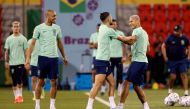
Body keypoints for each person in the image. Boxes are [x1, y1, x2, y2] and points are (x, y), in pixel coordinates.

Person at [25, 10, 68, 109]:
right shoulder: (39, 28)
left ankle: (52, 105)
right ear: (47, 16)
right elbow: (32, 44)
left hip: (54, 58)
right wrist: (27, 58)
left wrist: (64, 56)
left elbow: (59, 43)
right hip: (42, 58)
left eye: (55, 16)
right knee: (41, 82)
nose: (55, 18)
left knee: (54, 82)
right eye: (53, 16)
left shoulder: (57, 28)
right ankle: (37, 105)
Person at [117, 15, 150, 109]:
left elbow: (131, 41)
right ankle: (146, 106)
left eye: (131, 21)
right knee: (136, 86)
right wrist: (134, 53)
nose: (129, 23)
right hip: (143, 62)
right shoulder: (144, 32)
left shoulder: (137, 31)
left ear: (137, 21)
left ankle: (120, 106)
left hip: (138, 61)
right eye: (129, 21)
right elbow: (148, 47)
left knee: (126, 82)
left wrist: (119, 37)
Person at [86, 12, 117, 109]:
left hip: (105, 61)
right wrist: (131, 39)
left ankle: (112, 104)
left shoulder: (103, 28)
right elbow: (122, 38)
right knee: (97, 85)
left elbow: (111, 29)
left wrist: (112, 25)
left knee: (112, 83)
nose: (112, 18)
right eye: (110, 16)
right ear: (108, 18)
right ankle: (89, 106)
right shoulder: (106, 29)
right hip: (101, 60)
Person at [161, 25, 189, 96]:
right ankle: (170, 89)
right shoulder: (170, 37)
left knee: (184, 75)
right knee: (173, 76)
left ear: (180, 31)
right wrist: (165, 57)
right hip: (172, 60)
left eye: (177, 31)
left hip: (182, 59)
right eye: (175, 31)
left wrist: (188, 56)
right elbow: (163, 46)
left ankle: (186, 92)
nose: (175, 32)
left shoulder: (184, 38)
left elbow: (188, 46)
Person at [4, 21, 28, 103]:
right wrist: (6, 62)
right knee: (14, 82)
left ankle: (20, 96)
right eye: (14, 26)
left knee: (19, 80)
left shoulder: (23, 39)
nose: (16, 28)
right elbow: (7, 51)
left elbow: (26, 51)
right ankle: (16, 97)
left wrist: (27, 60)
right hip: (12, 63)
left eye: (17, 26)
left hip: (20, 62)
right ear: (12, 28)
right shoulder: (9, 39)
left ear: (19, 28)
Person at [110, 19, 127, 96]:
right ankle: (112, 89)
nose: (114, 25)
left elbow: (124, 45)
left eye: (115, 24)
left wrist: (124, 56)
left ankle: (120, 87)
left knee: (120, 74)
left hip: (119, 57)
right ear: (110, 25)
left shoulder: (120, 33)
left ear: (117, 25)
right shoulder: (108, 34)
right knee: (111, 75)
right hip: (110, 57)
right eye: (112, 24)